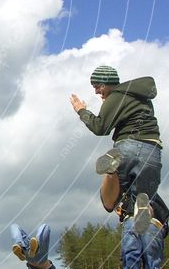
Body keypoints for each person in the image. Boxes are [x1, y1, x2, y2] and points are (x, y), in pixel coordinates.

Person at [69, 65, 162, 233]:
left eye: (97, 86)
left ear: (106, 83)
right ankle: (142, 208)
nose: (97, 92)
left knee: (112, 201)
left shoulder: (116, 96)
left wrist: (81, 111)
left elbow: (100, 127)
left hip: (126, 147)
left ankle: (111, 171)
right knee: (145, 199)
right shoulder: (142, 97)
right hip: (152, 149)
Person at [99, 162, 169, 269]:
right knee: (152, 268)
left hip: (130, 221)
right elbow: (166, 220)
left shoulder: (124, 195)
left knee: (131, 266)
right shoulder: (154, 193)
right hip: (155, 223)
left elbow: (109, 203)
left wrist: (123, 210)